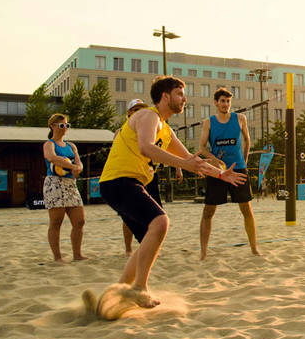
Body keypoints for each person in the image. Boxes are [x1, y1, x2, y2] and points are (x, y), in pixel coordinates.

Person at [99, 76, 245, 308]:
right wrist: (187, 165)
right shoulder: (148, 115)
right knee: (160, 222)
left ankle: (117, 294)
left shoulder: (165, 130)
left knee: (149, 238)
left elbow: (190, 159)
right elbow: (145, 147)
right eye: (179, 93)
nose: (184, 98)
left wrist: (221, 175)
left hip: (125, 184)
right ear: (165, 96)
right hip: (119, 181)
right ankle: (139, 287)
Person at [116, 98, 183, 258]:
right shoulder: (122, 131)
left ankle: (152, 247)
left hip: (150, 174)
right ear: (129, 113)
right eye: (135, 109)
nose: (139, 111)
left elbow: (168, 149)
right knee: (128, 215)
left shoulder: (153, 126)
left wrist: (179, 167)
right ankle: (128, 249)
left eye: (141, 108)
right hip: (130, 175)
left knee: (156, 213)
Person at [198, 87, 260, 260]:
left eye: (228, 101)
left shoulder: (240, 118)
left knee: (246, 209)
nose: (225, 104)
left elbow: (247, 141)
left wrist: (244, 163)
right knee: (208, 211)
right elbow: (201, 147)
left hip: (238, 168)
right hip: (218, 171)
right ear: (216, 103)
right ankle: (203, 252)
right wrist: (214, 159)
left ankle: (254, 249)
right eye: (222, 101)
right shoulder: (209, 122)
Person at [42, 113, 88, 264]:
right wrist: (72, 166)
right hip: (54, 183)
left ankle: (77, 254)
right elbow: (52, 158)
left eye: (67, 125)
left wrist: (77, 168)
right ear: (52, 126)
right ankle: (57, 257)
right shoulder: (49, 144)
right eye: (62, 125)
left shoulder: (71, 145)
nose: (65, 128)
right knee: (56, 222)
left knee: (79, 221)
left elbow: (79, 163)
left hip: (70, 184)